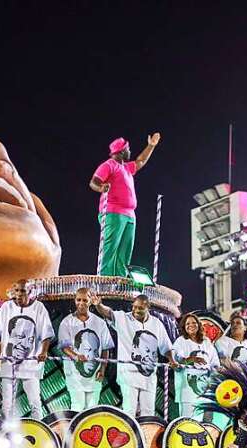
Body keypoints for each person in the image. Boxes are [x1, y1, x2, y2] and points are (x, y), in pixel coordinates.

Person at [89, 292, 173, 418]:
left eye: (140, 308)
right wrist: (99, 305)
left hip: (149, 377)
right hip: (128, 374)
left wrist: (172, 360)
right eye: (134, 307)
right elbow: (109, 313)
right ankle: (130, 436)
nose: (136, 310)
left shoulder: (157, 324)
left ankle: (146, 437)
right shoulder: (124, 318)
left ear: (147, 307)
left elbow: (166, 347)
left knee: (148, 413)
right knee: (130, 411)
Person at [89, 134, 161, 278]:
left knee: (125, 250)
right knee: (110, 247)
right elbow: (94, 181)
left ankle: (120, 280)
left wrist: (151, 146)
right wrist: (101, 187)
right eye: (128, 149)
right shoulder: (109, 165)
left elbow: (140, 161)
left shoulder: (126, 168)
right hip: (113, 212)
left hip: (129, 215)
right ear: (121, 151)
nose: (130, 151)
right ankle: (104, 279)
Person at [0, 280, 54, 421]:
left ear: (30, 292)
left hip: (31, 364)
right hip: (8, 362)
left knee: (35, 402)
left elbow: (46, 332)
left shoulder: (38, 308)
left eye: (22, 291)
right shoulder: (6, 307)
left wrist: (44, 351)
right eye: (17, 290)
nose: (18, 294)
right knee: (7, 404)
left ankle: (39, 432)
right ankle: (8, 433)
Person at [57, 288, 113, 411]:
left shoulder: (100, 323)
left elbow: (105, 348)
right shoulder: (67, 322)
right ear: (74, 300)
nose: (81, 303)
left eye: (85, 300)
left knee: (92, 410)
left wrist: (102, 369)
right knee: (77, 407)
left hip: (95, 375)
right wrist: (76, 356)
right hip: (74, 374)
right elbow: (64, 347)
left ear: (90, 302)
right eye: (78, 300)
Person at [171, 313, 218, 420]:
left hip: (206, 390)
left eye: (193, 322)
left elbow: (215, 363)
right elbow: (176, 359)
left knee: (207, 422)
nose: (191, 325)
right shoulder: (181, 341)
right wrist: (191, 359)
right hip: (187, 391)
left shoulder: (206, 342)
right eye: (187, 323)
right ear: (184, 327)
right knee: (188, 423)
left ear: (198, 325)